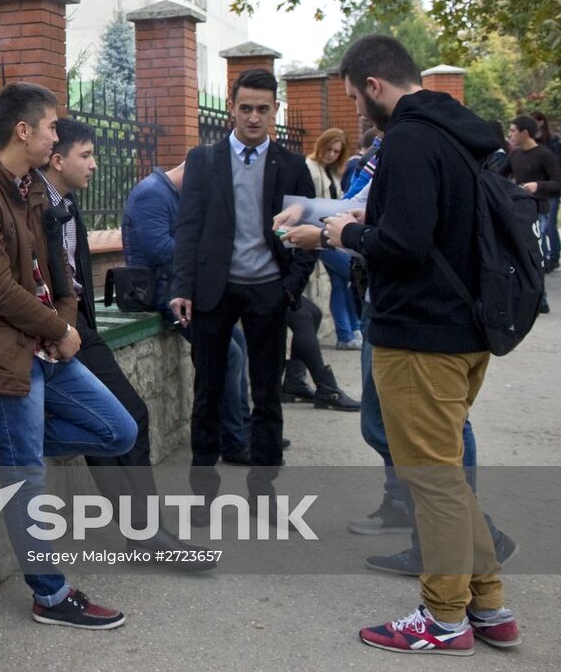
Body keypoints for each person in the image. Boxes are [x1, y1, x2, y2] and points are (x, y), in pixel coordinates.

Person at [322, 35, 520, 654]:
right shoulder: (458, 134)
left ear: (375, 87)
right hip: (464, 332)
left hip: (421, 337)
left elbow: (402, 244)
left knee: (431, 480)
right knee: (449, 480)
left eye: (355, 98)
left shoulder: (408, 139)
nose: (356, 112)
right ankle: (487, 605)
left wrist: (344, 233)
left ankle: (442, 620)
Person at [0, 83, 136, 630]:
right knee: (26, 475)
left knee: (118, 432)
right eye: (53, 127)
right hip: (6, 355)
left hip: (50, 348)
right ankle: (50, 596)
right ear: (23, 131)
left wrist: (66, 326)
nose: (59, 135)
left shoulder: (32, 189)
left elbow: (61, 268)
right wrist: (55, 327)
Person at [40, 119, 212, 568]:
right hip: (56, 332)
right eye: (86, 155)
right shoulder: (36, 207)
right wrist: (61, 331)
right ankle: (147, 535)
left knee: (127, 416)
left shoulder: (67, 204)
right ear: (57, 160)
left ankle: (148, 532)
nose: (94, 164)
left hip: (78, 327)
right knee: (115, 421)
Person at [169, 68, 316, 519]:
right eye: (246, 108)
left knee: (267, 393)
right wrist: (182, 287)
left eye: (263, 109)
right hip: (215, 292)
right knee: (207, 391)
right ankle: (203, 491)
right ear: (232, 108)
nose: (253, 118)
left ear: (275, 111)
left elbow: (309, 232)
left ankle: (264, 489)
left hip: (269, 290)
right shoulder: (204, 161)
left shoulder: (292, 167)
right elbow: (188, 228)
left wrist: (290, 288)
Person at [121, 158, 258, 464]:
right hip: (160, 294)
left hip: (184, 291)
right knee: (228, 353)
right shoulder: (151, 194)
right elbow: (159, 249)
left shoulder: (176, 194)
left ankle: (245, 433)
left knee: (239, 345)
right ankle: (234, 442)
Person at [306, 128, 362, 349]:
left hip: (330, 231)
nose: (331, 154)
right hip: (319, 233)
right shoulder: (310, 167)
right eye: (329, 149)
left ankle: (347, 333)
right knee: (349, 274)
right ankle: (349, 331)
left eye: (337, 152)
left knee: (341, 283)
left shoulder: (331, 171)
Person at [502, 114, 560, 313]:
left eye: (513, 131)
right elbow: (500, 175)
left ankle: (540, 298)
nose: (510, 135)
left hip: (540, 211)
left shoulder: (544, 154)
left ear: (525, 133)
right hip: (519, 211)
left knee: (538, 254)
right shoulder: (514, 155)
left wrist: (538, 185)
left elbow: (557, 181)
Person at [531, 110, 561, 272]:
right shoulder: (533, 142)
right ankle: (545, 256)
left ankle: (554, 257)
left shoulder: (553, 141)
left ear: (541, 122)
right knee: (541, 226)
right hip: (539, 188)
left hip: (551, 189)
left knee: (549, 226)